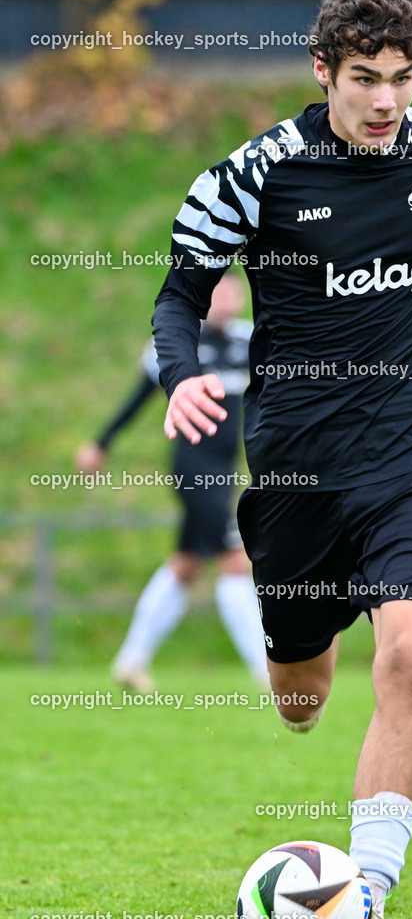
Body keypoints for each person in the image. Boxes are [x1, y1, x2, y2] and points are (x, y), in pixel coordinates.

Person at [152, 0, 412, 916]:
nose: (386, 100)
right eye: (364, 78)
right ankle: (301, 661)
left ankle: (366, 893)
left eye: (402, 77)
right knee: (300, 696)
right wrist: (180, 374)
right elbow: (180, 296)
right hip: (300, 466)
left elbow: (406, 249)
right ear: (323, 73)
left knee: (407, 655)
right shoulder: (253, 173)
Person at [76, 272, 269, 691]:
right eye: (218, 289)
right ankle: (267, 672)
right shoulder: (183, 343)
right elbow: (137, 397)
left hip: (224, 470)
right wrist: (100, 444)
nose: (228, 297)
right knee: (235, 560)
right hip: (193, 467)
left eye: (234, 289)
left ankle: (130, 661)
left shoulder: (249, 339)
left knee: (186, 563)